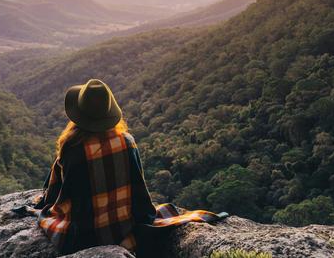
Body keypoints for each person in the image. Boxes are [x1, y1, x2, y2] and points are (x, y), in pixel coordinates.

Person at [21, 79, 227, 256]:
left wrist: (44, 206)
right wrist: (144, 219)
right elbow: (139, 192)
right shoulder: (127, 142)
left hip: (82, 237)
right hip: (123, 228)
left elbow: (59, 196)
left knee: (47, 214)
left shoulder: (72, 150)